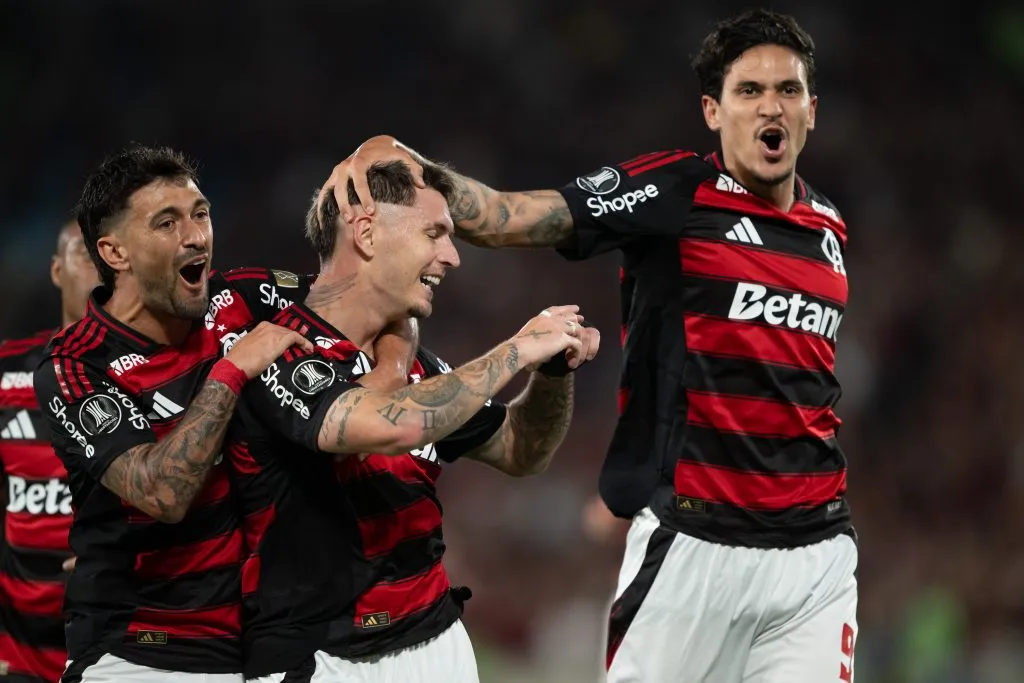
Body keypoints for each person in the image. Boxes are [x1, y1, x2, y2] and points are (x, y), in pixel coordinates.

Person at [323, 8, 858, 682]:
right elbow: (504, 218)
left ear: (812, 108)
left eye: (787, 90)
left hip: (817, 553)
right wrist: (405, 161)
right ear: (713, 112)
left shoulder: (830, 229)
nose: (768, 106)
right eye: (747, 91)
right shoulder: (677, 192)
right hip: (696, 546)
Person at [226, 160, 599, 683]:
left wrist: (553, 372)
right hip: (318, 657)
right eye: (435, 233)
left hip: (434, 646)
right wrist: (514, 352)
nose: (452, 256)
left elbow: (522, 450)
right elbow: (384, 425)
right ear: (367, 232)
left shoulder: (422, 368)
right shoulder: (272, 344)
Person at [32, 144, 317, 683]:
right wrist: (232, 371)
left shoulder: (243, 297)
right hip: (140, 653)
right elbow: (162, 493)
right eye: (167, 223)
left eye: (201, 213)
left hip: (262, 649)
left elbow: (363, 297)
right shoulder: (76, 365)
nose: (196, 236)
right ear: (115, 254)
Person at [0, 221, 98, 683]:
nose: (99, 265)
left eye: (109, 252)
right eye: (84, 252)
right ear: (57, 271)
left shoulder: (161, 373)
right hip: (20, 656)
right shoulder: (7, 371)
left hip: (119, 649)